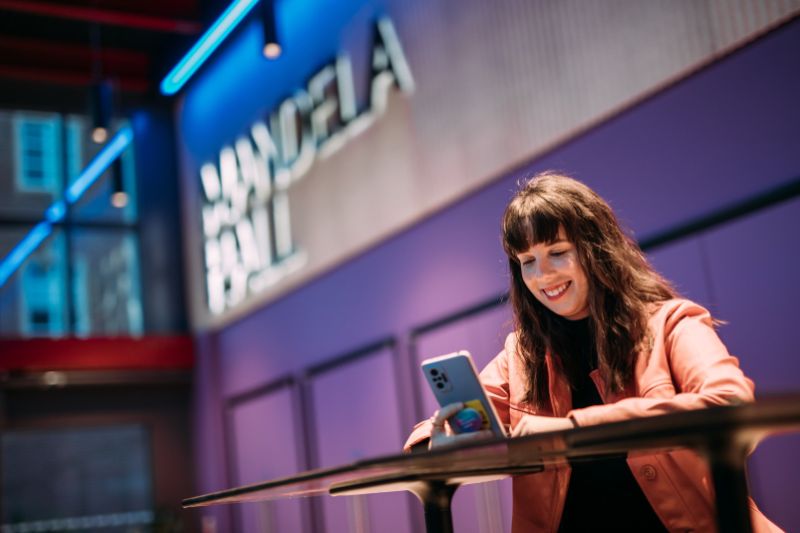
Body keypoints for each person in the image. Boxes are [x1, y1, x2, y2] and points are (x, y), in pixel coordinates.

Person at [404, 172, 782, 532]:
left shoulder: (670, 323)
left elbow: (729, 402)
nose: (543, 275)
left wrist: (572, 430)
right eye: (527, 262)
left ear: (596, 250)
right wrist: (440, 441)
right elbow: (429, 436)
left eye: (557, 252)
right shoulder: (521, 355)